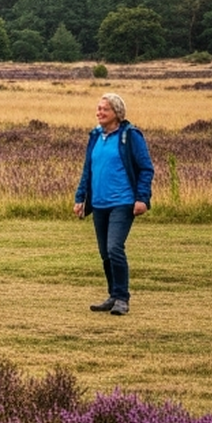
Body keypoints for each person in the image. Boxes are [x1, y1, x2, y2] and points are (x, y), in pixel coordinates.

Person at [75, 92, 153, 316]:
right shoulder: (95, 136)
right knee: (105, 252)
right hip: (99, 203)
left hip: (123, 202)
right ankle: (112, 294)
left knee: (114, 248)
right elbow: (87, 169)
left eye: (104, 109)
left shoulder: (130, 136)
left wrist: (142, 198)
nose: (99, 112)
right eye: (98, 108)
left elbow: (146, 169)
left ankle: (122, 298)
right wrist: (80, 198)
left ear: (116, 113)